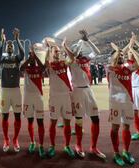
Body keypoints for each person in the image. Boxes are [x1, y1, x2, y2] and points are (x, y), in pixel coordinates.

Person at [62, 29, 106, 159]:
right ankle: (79, 145)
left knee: (95, 118)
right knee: (79, 120)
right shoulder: (71, 60)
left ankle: (93, 147)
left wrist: (88, 41)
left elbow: (97, 52)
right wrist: (76, 43)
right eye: (77, 48)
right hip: (77, 91)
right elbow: (72, 56)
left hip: (88, 90)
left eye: (79, 48)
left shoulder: (86, 58)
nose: (79, 50)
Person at [107, 33, 139, 166]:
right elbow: (114, 60)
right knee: (115, 127)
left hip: (128, 102)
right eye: (119, 55)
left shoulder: (127, 69)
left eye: (122, 56)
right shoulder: (110, 68)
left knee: (127, 127)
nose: (121, 57)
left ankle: (126, 151)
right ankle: (116, 153)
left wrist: (132, 48)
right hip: (115, 102)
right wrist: (117, 51)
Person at [44, 38, 75, 158]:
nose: (57, 53)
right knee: (53, 123)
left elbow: (72, 58)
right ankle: (52, 146)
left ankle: (67, 146)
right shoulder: (50, 65)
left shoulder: (63, 63)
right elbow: (45, 62)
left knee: (67, 122)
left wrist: (64, 46)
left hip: (66, 96)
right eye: (55, 51)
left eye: (58, 51)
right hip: (54, 97)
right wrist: (48, 49)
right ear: (51, 53)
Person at [0, 28, 24, 153]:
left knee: (18, 116)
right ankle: (6, 139)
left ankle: (15, 139)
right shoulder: (2, 59)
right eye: (8, 45)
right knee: (5, 116)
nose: (9, 47)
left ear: (13, 48)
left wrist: (17, 39)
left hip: (16, 91)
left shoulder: (17, 58)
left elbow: (23, 54)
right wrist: (3, 41)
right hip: (4, 91)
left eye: (10, 45)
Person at [20, 45, 46, 158]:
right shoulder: (25, 68)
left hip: (38, 97)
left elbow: (43, 68)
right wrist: (29, 59)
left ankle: (40, 145)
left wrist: (35, 57)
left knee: (40, 122)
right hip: (27, 97)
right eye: (30, 55)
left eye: (33, 55)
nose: (31, 57)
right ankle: (32, 142)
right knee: (30, 121)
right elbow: (20, 68)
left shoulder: (38, 68)